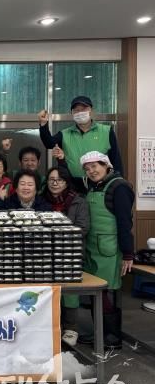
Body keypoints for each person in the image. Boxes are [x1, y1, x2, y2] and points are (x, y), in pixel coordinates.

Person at [78, 151, 134, 349]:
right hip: (93, 248)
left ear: (106, 165)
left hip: (110, 250)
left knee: (107, 293)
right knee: (96, 293)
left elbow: (125, 222)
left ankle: (112, 337)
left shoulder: (119, 187)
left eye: (94, 166)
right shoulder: (94, 186)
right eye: (87, 168)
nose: (91, 171)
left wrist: (128, 253)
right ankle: (99, 333)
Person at [41, 166, 90, 347]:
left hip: (71, 252)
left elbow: (82, 228)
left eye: (60, 180)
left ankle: (71, 328)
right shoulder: (41, 200)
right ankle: (51, 326)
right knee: (47, 291)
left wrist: (57, 235)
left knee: (70, 291)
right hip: (44, 253)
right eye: (51, 179)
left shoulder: (78, 201)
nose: (55, 183)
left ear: (66, 182)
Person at [38, 96, 124, 189]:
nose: (80, 112)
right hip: (73, 184)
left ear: (91, 110)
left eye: (84, 109)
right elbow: (49, 143)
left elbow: (116, 159)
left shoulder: (106, 131)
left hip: (101, 183)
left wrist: (119, 182)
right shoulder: (65, 133)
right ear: (72, 113)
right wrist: (43, 124)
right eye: (76, 110)